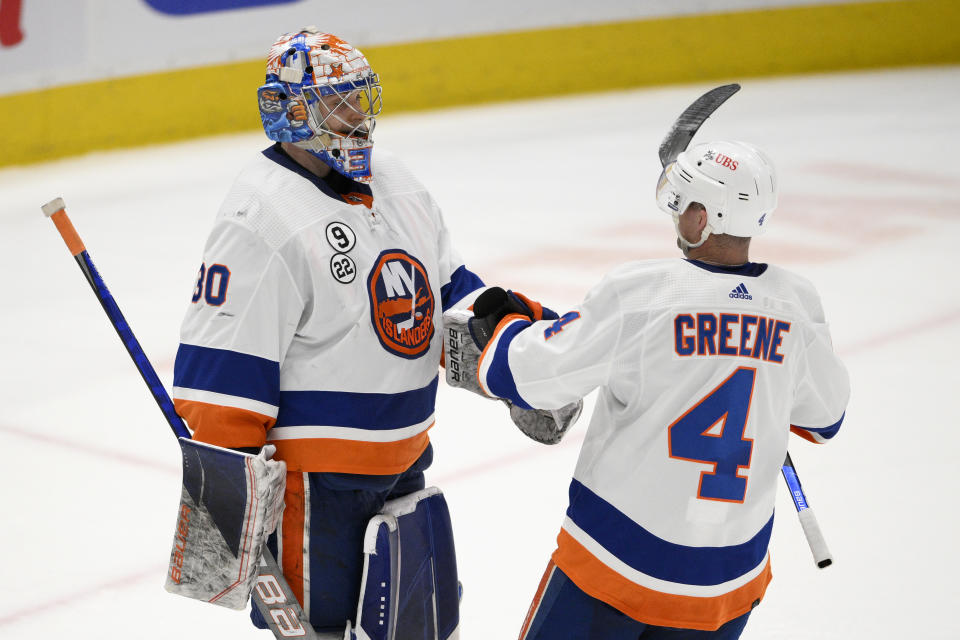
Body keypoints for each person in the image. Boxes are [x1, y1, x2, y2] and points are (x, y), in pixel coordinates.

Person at [169, 26, 567, 635]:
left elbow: (453, 303)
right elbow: (220, 388)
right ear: (290, 113)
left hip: (407, 469)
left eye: (362, 97)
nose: (358, 117)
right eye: (338, 103)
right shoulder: (261, 218)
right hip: (314, 493)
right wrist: (224, 529)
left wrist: (531, 356)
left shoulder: (398, 181)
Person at [453, 140, 850, 638]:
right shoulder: (795, 304)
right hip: (726, 583)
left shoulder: (641, 294)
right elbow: (825, 418)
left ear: (701, 217)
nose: (675, 214)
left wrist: (509, 325)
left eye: (683, 205)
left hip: (620, 561)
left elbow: (527, 375)